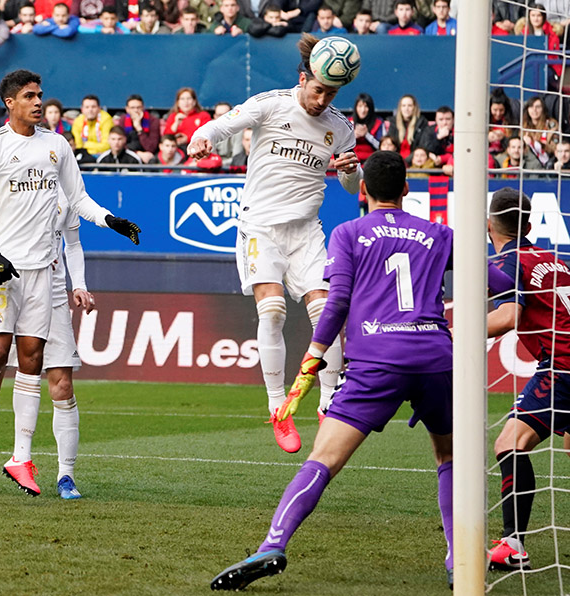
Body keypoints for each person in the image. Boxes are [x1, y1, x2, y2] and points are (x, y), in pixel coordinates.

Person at [208, 151, 516, 591]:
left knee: (323, 460)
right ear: (406, 189)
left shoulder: (348, 233)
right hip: (434, 358)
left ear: (364, 190)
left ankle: (273, 544)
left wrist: (311, 362)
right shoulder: (439, 234)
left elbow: (336, 302)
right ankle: (458, 559)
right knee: (449, 458)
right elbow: (501, 284)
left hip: (376, 361)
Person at [0, 69, 141, 496]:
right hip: (3, 268)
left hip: (43, 271)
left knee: (32, 362)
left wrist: (109, 220)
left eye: (40, 95)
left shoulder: (57, 146)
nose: (38, 102)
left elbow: (78, 198)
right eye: (29, 96)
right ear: (10, 103)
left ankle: (21, 458)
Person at [187, 33, 360, 453]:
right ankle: (278, 407)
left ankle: (329, 403)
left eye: (331, 93)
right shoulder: (271, 104)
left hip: (306, 231)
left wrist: (349, 171)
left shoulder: (340, 128)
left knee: (327, 313)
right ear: (303, 79)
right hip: (260, 227)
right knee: (274, 310)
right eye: (318, 90)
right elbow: (223, 124)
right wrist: (201, 137)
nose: (322, 100)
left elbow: (353, 187)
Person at [0, 191, 95, 499]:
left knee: (62, 386)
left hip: (52, 297)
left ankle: (66, 475)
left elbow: (73, 243)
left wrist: (79, 285)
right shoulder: (1, 185)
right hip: (6, 289)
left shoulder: (66, 192)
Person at [486, 188, 570, 572]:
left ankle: (513, 544)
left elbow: (508, 317)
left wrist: (449, 334)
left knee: (510, 443)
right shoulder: (555, 260)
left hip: (562, 367)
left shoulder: (509, 261)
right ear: (530, 226)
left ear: (489, 225)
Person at [387, 94, 439, 160]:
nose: (406, 109)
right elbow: (390, 144)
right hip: (396, 160)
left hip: (415, 160)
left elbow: (422, 146)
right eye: (403, 106)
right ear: (400, 108)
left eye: (410, 106)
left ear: (414, 108)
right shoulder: (393, 123)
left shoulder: (422, 123)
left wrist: (406, 161)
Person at [120, 94, 160, 164]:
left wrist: (139, 129)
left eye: (138, 107)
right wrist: (137, 153)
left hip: (148, 156)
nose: (136, 110)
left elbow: (151, 147)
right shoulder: (123, 120)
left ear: (143, 108)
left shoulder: (153, 121)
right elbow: (119, 144)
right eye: (132, 108)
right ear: (127, 109)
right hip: (128, 154)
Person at [522, 95, 559, 169]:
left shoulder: (551, 124)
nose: (534, 110)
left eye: (538, 107)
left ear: (543, 109)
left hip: (549, 163)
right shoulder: (524, 126)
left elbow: (556, 148)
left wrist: (536, 144)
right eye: (531, 106)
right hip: (530, 163)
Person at [349, 92, 385, 163]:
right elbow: (340, 145)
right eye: (360, 106)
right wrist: (354, 135)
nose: (363, 110)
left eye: (366, 106)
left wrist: (366, 135)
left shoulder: (378, 123)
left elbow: (381, 146)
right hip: (352, 159)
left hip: (372, 160)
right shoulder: (348, 122)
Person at [489, 88, 516, 155]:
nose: (498, 114)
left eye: (501, 110)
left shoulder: (511, 122)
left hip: (504, 155)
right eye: (495, 110)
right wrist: (487, 138)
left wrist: (503, 138)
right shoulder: (483, 122)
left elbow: (514, 144)